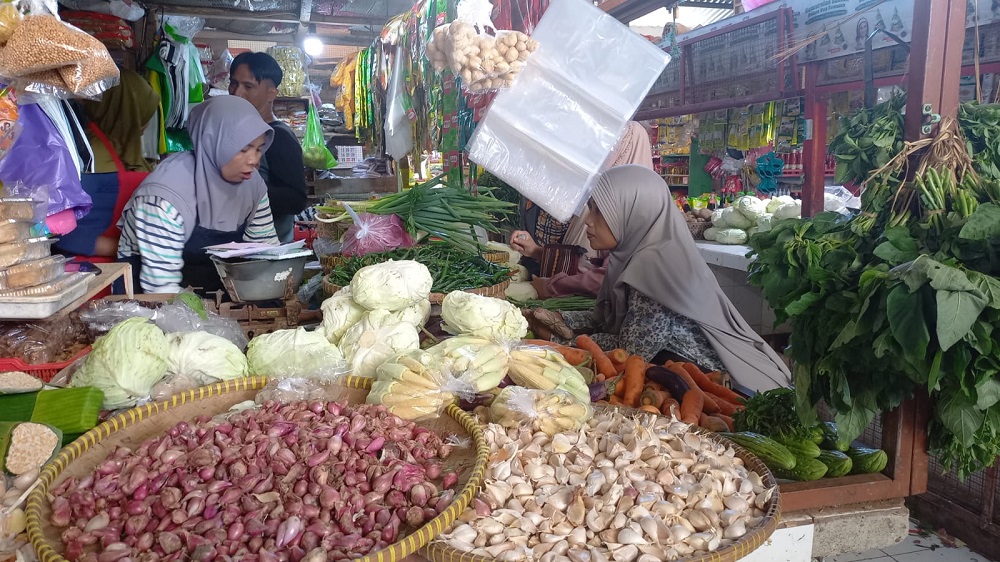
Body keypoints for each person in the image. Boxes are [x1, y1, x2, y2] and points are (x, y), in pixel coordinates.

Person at [525, 165, 791, 392]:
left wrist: (558, 341)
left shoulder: (657, 268)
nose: (588, 222)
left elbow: (628, 351)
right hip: (676, 373)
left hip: (724, 389)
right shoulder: (631, 256)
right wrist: (556, 318)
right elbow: (606, 320)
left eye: (598, 210)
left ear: (633, 211)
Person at [117, 96, 279, 295]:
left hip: (213, 288)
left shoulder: (253, 186)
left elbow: (266, 252)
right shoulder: (165, 197)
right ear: (212, 141)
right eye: (243, 149)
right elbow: (160, 289)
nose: (254, 160)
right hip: (150, 293)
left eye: (259, 148)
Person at [510, 121, 656, 298]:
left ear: (630, 150)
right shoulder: (596, 200)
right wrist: (536, 251)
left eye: (614, 147)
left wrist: (551, 287)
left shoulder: (635, 216)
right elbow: (581, 260)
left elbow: (607, 276)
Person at [229, 51, 308, 243]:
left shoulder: (279, 136)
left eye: (248, 86)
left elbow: (296, 199)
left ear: (271, 93)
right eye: (234, 83)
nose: (237, 92)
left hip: (269, 251)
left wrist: (242, 191)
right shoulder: (236, 132)